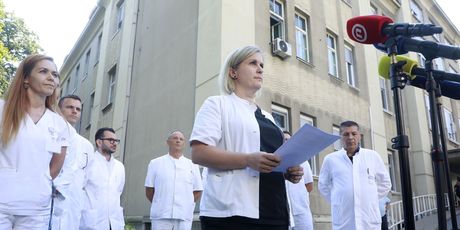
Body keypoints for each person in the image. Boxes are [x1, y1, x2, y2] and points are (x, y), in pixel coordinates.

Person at [190, 45, 303, 230]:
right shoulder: (217, 104)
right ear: (233, 72)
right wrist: (248, 160)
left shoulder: (268, 117)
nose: (260, 69)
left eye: (262, 65)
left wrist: (287, 171)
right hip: (232, 215)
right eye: (253, 63)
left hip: (275, 212)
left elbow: (272, 160)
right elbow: (199, 153)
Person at [0, 54, 71, 229]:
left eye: (55, 74)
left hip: (36, 209)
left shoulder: (59, 124)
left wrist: (36, 180)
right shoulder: (3, 110)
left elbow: (54, 169)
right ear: (25, 79)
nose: (51, 78)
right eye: (43, 71)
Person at [318, 120, 391, 230]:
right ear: (340, 137)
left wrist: (368, 197)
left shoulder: (372, 156)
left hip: (369, 219)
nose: (350, 137)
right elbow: (323, 185)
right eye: (346, 134)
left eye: (354, 133)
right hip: (344, 220)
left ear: (359, 136)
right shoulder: (330, 159)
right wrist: (339, 199)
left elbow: (385, 183)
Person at [51, 95, 95, 229]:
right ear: (59, 109)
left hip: (73, 205)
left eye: (78, 109)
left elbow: (86, 177)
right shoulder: (50, 134)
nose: (74, 111)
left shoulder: (86, 145)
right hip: (49, 200)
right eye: (70, 107)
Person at [145, 131, 203, 230]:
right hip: (161, 215)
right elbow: (149, 189)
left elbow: (197, 190)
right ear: (168, 142)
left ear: (184, 143)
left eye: (181, 139)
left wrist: (186, 203)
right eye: (175, 138)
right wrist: (160, 202)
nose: (178, 141)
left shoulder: (192, 165)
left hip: (183, 216)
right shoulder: (155, 163)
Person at [82, 127, 125, 230]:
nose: (114, 143)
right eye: (111, 140)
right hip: (93, 222)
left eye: (116, 141)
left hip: (114, 223)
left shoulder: (120, 166)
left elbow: (119, 191)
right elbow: (79, 189)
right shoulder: (88, 162)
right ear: (99, 142)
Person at [283, 131, 314, 230]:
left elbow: (309, 185)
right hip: (283, 213)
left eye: (288, 140)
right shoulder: (275, 161)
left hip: (301, 213)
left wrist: (299, 198)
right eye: (283, 140)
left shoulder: (302, 160)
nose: (286, 142)